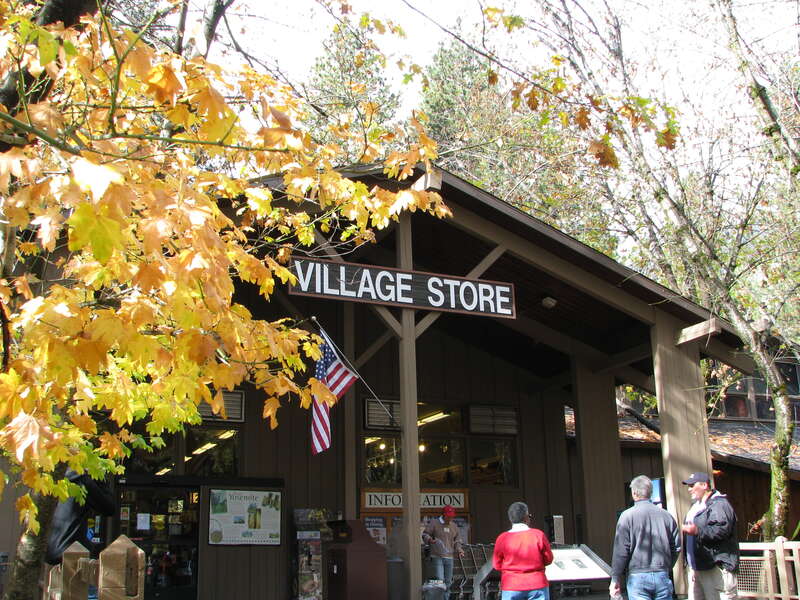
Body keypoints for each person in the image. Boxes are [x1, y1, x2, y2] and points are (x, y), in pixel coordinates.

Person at [610, 475, 681, 600]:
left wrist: (615, 578)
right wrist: (667, 566)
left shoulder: (626, 517)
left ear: (634, 493)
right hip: (662, 574)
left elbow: (621, 551)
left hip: (637, 576)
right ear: (651, 493)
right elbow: (676, 546)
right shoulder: (666, 516)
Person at [680, 472, 739, 600]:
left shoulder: (719, 504)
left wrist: (697, 531)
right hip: (698, 568)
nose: (689, 490)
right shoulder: (695, 507)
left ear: (704, 485)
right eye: (688, 486)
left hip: (717, 568)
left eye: (692, 485)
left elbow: (721, 530)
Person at [46, 468, 116, 565]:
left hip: (48, 552)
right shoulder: (81, 480)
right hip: (72, 552)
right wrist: (99, 477)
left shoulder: (50, 479)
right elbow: (109, 507)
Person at [492, 501, 553, 600]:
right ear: (526, 518)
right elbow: (548, 559)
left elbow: (496, 565)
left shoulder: (502, 538)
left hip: (511, 584)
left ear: (510, 519)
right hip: (537, 583)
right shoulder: (538, 535)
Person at [422, 504, 465, 593]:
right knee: (440, 581)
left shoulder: (454, 526)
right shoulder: (434, 523)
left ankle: (446, 598)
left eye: (452, 516)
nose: (450, 518)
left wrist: (459, 549)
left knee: (448, 582)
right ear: (444, 515)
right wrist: (430, 539)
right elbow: (425, 534)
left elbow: (457, 540)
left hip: (449, 557)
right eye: (449, 516)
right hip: (437, 556)